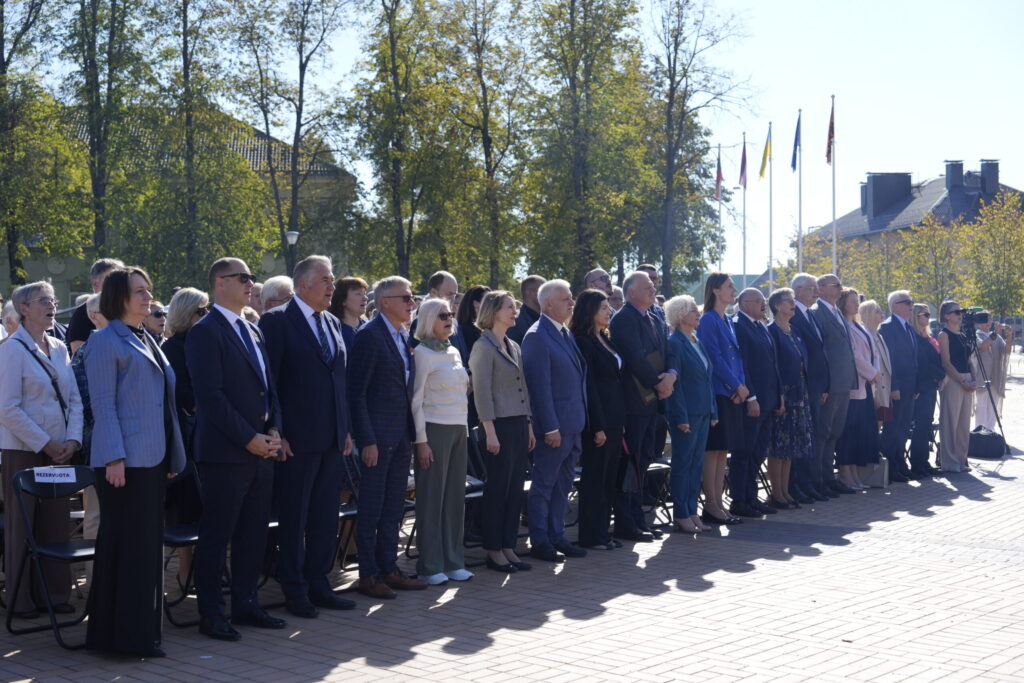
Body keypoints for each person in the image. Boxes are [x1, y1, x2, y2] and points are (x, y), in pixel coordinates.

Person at [85, 267, 186, 657]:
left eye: (149, 291)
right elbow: (103, 406)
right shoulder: (104, 340)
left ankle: (142, 633)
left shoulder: (148, 337)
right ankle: (121, 638)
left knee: (145, 549)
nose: (148, 298)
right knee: (126, 549)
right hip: (123, 462)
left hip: (152, 461)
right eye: (139, 292)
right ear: (118, 297)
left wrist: (172, 453)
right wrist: (113, 457)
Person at [187, 258, 287, 641]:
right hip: (227, 453)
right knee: (218, 534)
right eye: (242, 278)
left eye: (251, 278)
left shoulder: (253, 329)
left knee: (253, 534)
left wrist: (274, 430)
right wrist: (249, 438)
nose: (250, 284)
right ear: (218, 284)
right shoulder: (205, 332)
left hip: (262, 449)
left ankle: (247, 604)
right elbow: (210, 398)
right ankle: (211, 614)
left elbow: (269, 387)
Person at [260, 255, 357, 616]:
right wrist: (277, 430)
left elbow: (339, 381)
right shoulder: (277, 321)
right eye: (327, 280)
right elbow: (271, 381)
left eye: (333, 280)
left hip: (331, 438)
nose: (333, 286)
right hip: (295, 440)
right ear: (303, 285)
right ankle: (294, 588)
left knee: (324, 517)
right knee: (294, 517)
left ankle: (319, 582)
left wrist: (344, 429)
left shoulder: (331, 322)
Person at [0, 282, 83, 619]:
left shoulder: (60, 347)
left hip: (60, 452)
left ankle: (56, 593)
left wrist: (72, 441)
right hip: (25, 450)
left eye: (53, 299)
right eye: (43, 301)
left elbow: (75, 399)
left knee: (55, 523)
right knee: (24, 526)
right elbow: (7, 408)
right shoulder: (11, 350)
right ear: (24, 309)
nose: (52, 305)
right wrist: (45, 443)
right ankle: (20, 599)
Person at [348, 276, 427, 598]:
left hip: (400, 436)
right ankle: (368, 574)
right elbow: (357, 394)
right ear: (385, 303)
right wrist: (366, 440)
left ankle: (388, 568)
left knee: (394, 506)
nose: (412, 303)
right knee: (371, 509)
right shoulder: (369, 336)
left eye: (412, 298)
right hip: (378, 439)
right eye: (406, 298)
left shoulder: (401, 335)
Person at [522, 279, 588, 562]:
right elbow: (540, 387)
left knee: (562, 485)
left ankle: (557, 535)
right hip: (555, 428)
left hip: (573, 425)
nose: (572, 302)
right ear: (547, 303)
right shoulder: (537, 335)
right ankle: (540, 539)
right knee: (544, 485)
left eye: (571, 298)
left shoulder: (565, 333)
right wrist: (550, 427)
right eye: (566, 298)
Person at [470, 291, 535, 573]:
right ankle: (493, 549)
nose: (514, 311)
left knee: (514, 488)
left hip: (519, 424)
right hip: (498, 425)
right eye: (509, 307)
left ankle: (509, 545)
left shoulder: (513, 345)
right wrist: (490, 431)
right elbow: (482, 393)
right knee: (498, 489)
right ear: (494, 311)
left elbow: (524, 388)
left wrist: (529, 425)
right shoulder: (483, 346)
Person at [409, 298, 473, 584]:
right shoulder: (421, 353)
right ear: (427, 319)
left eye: (451, 314)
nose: (449, 319)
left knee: (454, 499)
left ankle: (453, 560)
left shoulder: (455, 350)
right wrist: (421, 441)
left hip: (459, 429)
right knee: (432, 498)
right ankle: (430, 564)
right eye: (442, 315)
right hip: (433, 429)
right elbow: (416, 400)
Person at [609, 271, 675, 540]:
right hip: (635, 404)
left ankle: (639, 518)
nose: (652, 289)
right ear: (630, 292)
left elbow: (669, 351)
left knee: (645, 460)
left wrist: (671, 375)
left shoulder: (656, 316)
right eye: (646, 286)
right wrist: (658, 383)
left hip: (655, 403)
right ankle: (627, 522)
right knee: (631, 463)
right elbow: (635, 356)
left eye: (653, 285)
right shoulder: (623, 319)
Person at [571, 289, 626, 548]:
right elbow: (590, 386)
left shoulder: (605, 337)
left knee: (608, 479)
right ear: (589, 311)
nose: (609, 311)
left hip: (616, 417)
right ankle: (591, 535)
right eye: (603, 307)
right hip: (598, 421)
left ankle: (604, 532)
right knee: (595, 478)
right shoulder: (582, 340)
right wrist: (599, 425)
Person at [161, 286, 208, 588]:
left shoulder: (204, 342)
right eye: (201, 311)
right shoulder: (173, 349)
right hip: (186, 439)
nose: (206, 316)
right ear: (187, 314)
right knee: (187, 509)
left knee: (204, 509)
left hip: (206, 436)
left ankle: (202, 572)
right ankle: (185, 572)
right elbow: (183, 395)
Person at [695, 273, 745, 525]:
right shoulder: (708, 320)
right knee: (712, 449)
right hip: (717, 393)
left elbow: (737, 357)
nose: (733, 290)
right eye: (729, 286)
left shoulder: (727, 320)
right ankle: (711, 503)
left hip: (732, 393)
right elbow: (713, 357)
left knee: (722, 449)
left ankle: (718, 502)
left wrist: (741, 386)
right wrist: (735, 385)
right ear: (715, 290)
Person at [665, 295, 716, 532]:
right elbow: (677, 385)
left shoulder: (696, 340)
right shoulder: (675, 342)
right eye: (693, 311)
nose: (698, 314)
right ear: (681, 314)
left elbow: (707, 378)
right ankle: (680, 513)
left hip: (703, 411)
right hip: (687, 414)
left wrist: (713, 409)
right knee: (683, 464)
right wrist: (681, 417)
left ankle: (692, 510)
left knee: (696, 464)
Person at [731, 288, 783, 517]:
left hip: (769, 400)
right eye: (758, 301)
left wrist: (779, 395)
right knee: (744, 452)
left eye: (764, 301)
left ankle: (752, 497)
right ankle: (739, 500)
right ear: (743, 303)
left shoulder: (760, 325)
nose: (764, 305)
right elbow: (744, 366)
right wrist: (751, 396)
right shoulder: (739, 325)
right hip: (752, 402)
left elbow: (773, 363)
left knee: (758, 451)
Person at [70, 294, 107, 583]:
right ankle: (97, 584)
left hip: (119, 447)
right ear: (94, 316)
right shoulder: (87, 351)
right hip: (99, 444)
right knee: (95, 516)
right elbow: (85, 402)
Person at [811, 274, 858, 495]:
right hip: (830, 383)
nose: (841, 288)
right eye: (836, 285)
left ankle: (829, 478)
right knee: (823, 431)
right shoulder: (817, 312)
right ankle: (818, 479)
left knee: (835, 431)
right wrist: (825, 385)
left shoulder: (836, 311)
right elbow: (821, 351)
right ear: (820, 288)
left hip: (844, 382)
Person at [766, 288, 813, 507]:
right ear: (777, 305)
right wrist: (780, 396)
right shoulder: (772, 331)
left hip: (800, 393)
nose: (793, 304)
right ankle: (776, 493)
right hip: (784, 395)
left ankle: (785, 491)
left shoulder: (793, 330)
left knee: (791, 447)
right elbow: (774, 366)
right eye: (788, 301)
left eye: (793, 300)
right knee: (779, 446)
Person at [835, 287, 879, 490]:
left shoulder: (858, 324)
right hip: (853, 386)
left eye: (857, 301)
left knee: (860, 430)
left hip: (866, 385)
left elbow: (873, 352)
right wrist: (871, 372)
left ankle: (854, 472)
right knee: (849, 432)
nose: (856, 304)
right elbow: (854, 355)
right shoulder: (843, 325)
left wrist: (875, 372)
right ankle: (845, 473)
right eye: (852, 301)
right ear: (843, 303)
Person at [790, 274, 829, 502]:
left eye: (816, 288)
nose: (816, 292)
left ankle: (809, 482)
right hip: (803, 386)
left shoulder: (810, 315)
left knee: (813, 436)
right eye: (811, 288)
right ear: (797, 291)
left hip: (816, 386)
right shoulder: (793, 315)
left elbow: (820, 352)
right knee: (802, 438)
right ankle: (798, 484)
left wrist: (824, 385)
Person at [878, 290, 920, 482]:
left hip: (910, 388)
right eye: (908, 302)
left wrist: (916, 387)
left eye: (912, 302)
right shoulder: (887, 327)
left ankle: (901, 464)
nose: (912, 306)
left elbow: (914, 360)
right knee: (892, 429)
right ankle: (891, 467)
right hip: (897, 388)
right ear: (895, 305)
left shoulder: (909, 328)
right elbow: (889, 361)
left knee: (903, 429)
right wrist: (894, 387)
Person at [937, 301, 976, 473]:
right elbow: (946, 362)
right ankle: (950, 461)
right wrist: (962, 381)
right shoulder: (943, 335)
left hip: (967, 379)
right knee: (950, 421)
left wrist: (974, 379)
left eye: (960, 311)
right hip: (954, 380)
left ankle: (961, 459)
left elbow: (969, 360)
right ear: (946, 316)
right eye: (956, 312)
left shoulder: (962, 335)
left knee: (963, 422)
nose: (960, 314)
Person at [910, 304, 946, 477]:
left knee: (926, 425)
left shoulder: (928, 337)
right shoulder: (915, 338)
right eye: (925, 314)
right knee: (920, 426)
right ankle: (916, 463)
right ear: (916, 317)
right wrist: (941, 375)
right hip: (922, 386)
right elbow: (923, 364)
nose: (928, 317)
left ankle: (924, 461)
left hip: (931, 385)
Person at [67, 258, 125, 355]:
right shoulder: (83, 314)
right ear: (95, 283)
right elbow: (80, 357)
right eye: (112, 279)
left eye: (121, 279)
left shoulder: (126, 311)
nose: (118, 284)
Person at [973, 312, 1011, 430]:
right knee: (981, 409)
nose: (989, 323)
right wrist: (996, 333)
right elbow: (982, 346)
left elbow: (1007, 350)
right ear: (979, 322)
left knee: (993, 409)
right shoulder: (976, 335)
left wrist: (1009, 336)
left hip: (995, 377)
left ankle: (990, 434)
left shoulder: (997, 336)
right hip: (982, 377)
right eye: (986, 320)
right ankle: (979, 435)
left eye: (990, 320)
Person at [859, 300, 892, 424]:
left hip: (883, 389)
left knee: (880, 425)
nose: (881, 313)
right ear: (868, 314)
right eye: (877, 311)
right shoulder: (865, 334)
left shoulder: (878, 335)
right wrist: (876, 393)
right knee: (873, 425)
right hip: (873, 390)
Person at [329, 276, 369, 350]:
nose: (365, 298)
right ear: (343, 300)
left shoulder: (370, 327)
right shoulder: (333, 330)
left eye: (365, 293)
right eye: (358, 294)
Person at [454, 285, 490, 365]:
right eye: (488, 301)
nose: (492, 305)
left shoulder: (484, 328)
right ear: (476, 304)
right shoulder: (466, 330)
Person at [508, 275, 545, 344]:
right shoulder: (515, 322)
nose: (548, 294)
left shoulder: (546, 318)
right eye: (544, 290)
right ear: (529, 292)